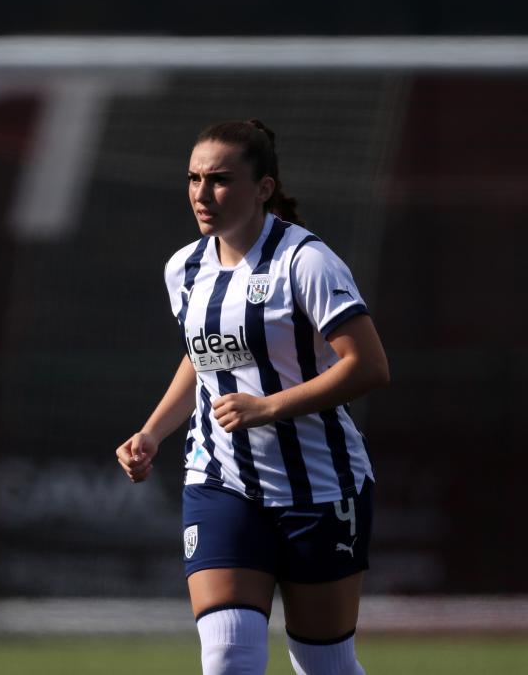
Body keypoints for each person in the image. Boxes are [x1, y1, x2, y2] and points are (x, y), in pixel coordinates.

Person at [116, 119, 389, 675]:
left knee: (324, 664)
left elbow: (369, 366)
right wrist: (152, 431)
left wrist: (269, 407)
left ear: (263, 187)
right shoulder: (184, 268)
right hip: (221, 482)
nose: (202, 194)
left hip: (319, 485)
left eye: (220, 180)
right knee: (227, 657)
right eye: (193, 179)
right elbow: (205, 356)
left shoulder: (305, 261)